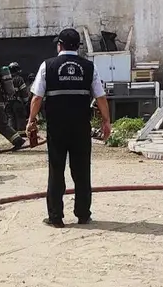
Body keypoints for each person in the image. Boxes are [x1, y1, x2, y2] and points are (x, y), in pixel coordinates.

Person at [27, 28, 112, 228]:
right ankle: (83, 214)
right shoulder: (89, 67)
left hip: (57, 128)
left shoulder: (47, 66)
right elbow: (100, 97)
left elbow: (37, 97)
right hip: (81, 127)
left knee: (56, 171)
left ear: (60, 45)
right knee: (82, 171)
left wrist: (31, 120)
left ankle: (56, 217)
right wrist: (106, 121)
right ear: (77, 46)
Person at [4, 62, 31, 139]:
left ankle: (12, 135)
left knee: (11, 117)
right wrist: (26, 101)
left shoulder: (6, 79)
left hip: (8, 103)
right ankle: (21, 133)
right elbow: (24, 92)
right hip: (17, 102)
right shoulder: (19, 79)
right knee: (20, 117)